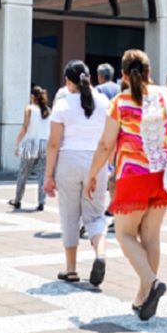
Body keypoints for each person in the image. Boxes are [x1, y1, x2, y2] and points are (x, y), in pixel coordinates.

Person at [85, 49, 167, 321]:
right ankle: (142, 298)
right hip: (163, 175)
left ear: (122, 73)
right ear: (149, 70)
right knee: (151, 236)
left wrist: (93, 174)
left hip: (132, 175)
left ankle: (152, 284)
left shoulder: (120, 101)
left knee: (124, 234)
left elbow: (106, 143)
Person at [43, 61, 110, 284]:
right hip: (96, 161)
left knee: (70, 215)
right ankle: (100, 254)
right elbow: (111, 136)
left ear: (68, 81)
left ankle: (71, 269)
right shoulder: (103, 101)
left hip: (68, 161)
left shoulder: (62, 105)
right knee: (96, 215)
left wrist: (48, 176)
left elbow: (53, 144)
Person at [10, 86, 51, 210]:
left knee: (23, 172)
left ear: (32, 96)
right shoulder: (48, 110)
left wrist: (17, 143)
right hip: (45, 143)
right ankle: (41, 202)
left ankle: (18, 200)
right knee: (42, 174)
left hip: (31, 143)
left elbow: (25, 128)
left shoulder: (29, 109)